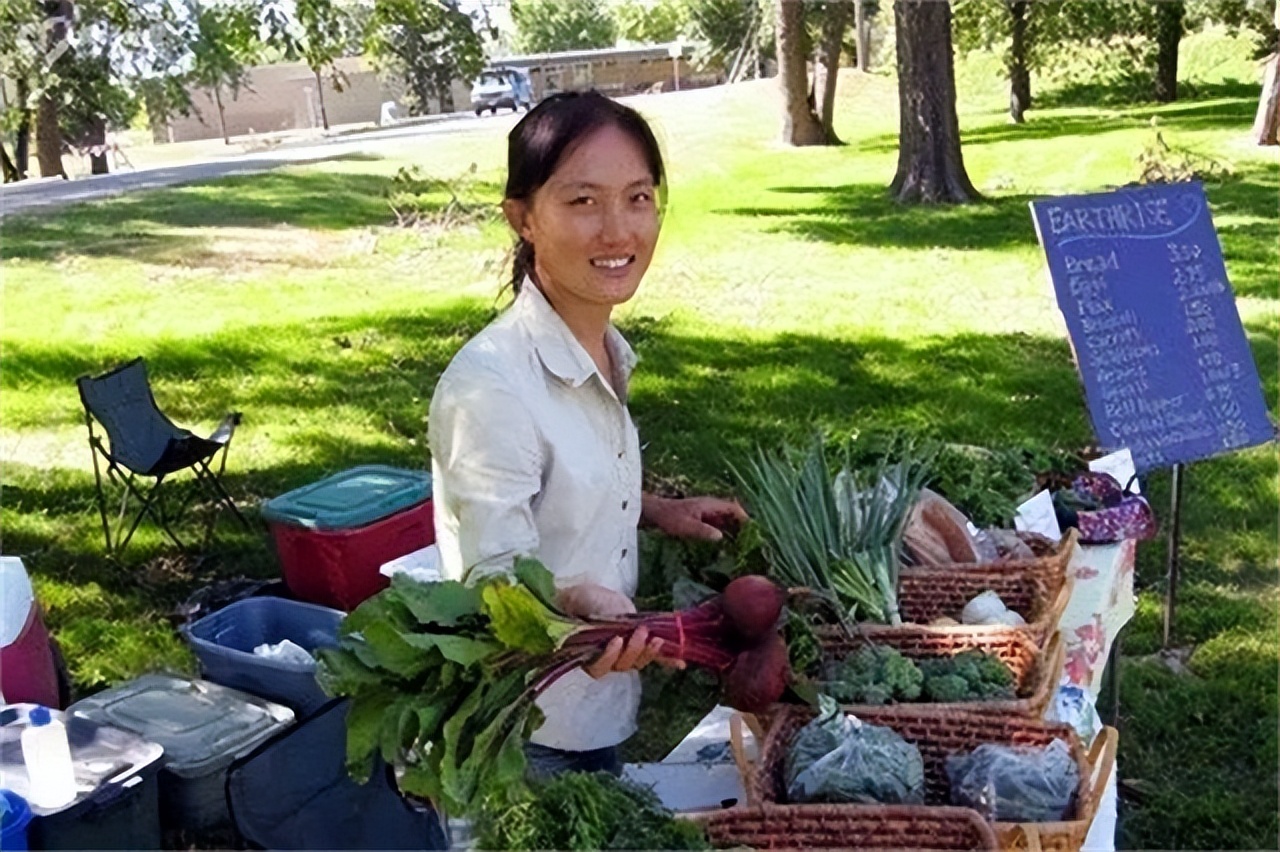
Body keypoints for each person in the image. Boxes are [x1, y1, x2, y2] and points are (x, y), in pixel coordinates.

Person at [428, 91, 747, 778]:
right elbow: (493, 578)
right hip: (530, 723)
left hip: (597, 700)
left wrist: (659, 510)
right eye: (582, 201)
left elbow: (564, 478)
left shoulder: (600, 346)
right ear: (523, 219)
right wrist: (577, 601)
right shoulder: (491, 385)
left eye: (638, 198)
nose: (618, 231)